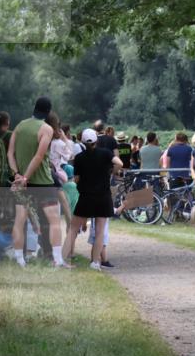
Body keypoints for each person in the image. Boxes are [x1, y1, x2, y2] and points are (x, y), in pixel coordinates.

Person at [7, 96, 68, 268]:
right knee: (54, 220)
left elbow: (10, 153)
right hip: (42, 182)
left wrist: (17, 175)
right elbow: (39, 156)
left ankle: (20, 259)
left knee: (20, 220)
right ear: (48, 111)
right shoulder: (46, 128)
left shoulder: (19, 126)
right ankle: (57, 259)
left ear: (34, 108)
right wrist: (26, 177)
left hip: (21, 183)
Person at [61, 129, 121, 270]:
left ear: (82, 142)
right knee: (100, 230)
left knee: (73, 229)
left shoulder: (80, 157)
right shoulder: (106, 153)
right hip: (103, 196)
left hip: (86, 196)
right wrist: (111, 172)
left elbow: (76, 179)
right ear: (96, 141)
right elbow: (119, 163)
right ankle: (95, 262)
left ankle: (61, 259)